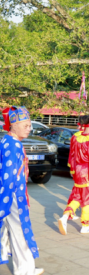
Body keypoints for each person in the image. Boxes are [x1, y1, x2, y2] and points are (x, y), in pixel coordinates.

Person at [0, 106, 44, 275]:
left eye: (29, 125)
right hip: (13, 195)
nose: (29, 128)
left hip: (11, 194)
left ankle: (24, 268)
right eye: (25, 125)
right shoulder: (14, 145)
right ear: (13, 126)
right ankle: (25, 270)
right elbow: (9, 175)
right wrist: (6, 199)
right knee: (21, 231)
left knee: (16, 231)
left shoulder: (7, 140)